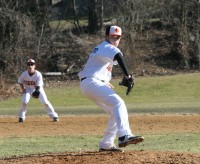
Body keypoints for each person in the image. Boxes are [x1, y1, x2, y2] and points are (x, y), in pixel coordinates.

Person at [78, 25, 144, 152]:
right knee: (118, 103)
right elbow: (119, 56)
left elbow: (97, 66)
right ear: (106, 37)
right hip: (91, 82)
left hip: (91, 82)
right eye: (112, 37)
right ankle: (125, 135)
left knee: (115, 110)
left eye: (118, 37)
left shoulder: (103, 49)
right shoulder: (106, 47)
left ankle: (106, 144)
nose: (115, 39)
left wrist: (104, 81)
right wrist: (127, 75)